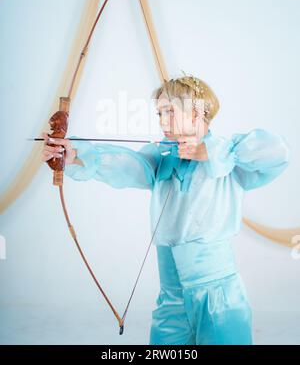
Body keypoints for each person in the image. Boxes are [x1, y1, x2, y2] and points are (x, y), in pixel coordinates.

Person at [41, 75, 290, 345]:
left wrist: (213, 152)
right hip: (171, 298)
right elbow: (127, 163)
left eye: (170, 112)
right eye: (159, 113)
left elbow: (278, 153)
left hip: (219, 297)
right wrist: (75, 155)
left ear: (197, 113)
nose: (162, 120)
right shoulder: (161, 157)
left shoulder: (228, 159)